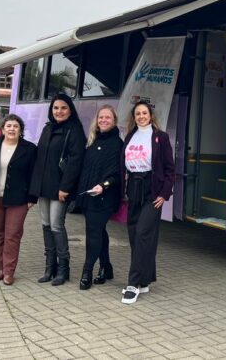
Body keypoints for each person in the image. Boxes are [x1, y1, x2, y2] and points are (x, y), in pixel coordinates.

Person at [120, 101, 175, 304]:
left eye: (144, 113)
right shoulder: (130, 136)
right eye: (138, 114)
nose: (141, 116)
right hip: (133, 189)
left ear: (150, 116)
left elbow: (170, 169)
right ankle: (145, 280)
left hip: (152, 191)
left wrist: (164, 194)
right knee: (135, 235)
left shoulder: (161, 137)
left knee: (143, 233)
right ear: (134, 117)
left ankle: (133, 284)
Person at [29, 94, 86, 286]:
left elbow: (75, 162)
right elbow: (39, 158)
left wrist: (65, 187)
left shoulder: (75, 130)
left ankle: (63, 269)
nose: (59, 111)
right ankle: (49, 268)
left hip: (60, 188)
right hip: (43, 186)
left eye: (63, 108)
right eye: (55, 108)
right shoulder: (48, 128)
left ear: (70, 110)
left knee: (56, 226)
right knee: (45, 225)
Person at [0, 114, 36, 285]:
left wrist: (32, 198)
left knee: (12, 234)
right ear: (2, 129)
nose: (12, 129)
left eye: (15, 126)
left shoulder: (30, 149)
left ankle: (9, 271)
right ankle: (1, 268)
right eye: (8, 126)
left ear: (21, 130)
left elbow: (34, 175)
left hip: (19, 199)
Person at [75, 105, 123, 290]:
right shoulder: (92, 141)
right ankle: (106, 268)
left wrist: (103, 186)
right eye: (101, 117)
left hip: (105, 197)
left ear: (114, 121)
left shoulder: (117, 144)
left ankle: (86, 272)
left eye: (107, 117)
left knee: (93, 233)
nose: (103, 120)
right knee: (99, 231)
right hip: (89, 196)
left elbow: (117, 174)